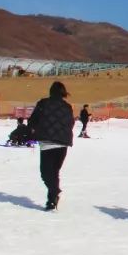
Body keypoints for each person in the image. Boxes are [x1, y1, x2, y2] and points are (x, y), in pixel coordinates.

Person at [28, 81, 75, 211]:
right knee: (54, 173)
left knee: (46, 173)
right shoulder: (67, 106)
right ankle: (51, 201)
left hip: (48, 143)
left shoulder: (43, 103)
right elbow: (70, 123)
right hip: (63, 144)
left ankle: (54, 192)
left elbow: (32, 120)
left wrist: (32, 131)